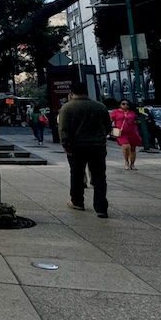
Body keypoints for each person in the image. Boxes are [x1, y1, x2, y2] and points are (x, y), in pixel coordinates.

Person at [58, 81, 110, 218]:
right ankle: (101, 207)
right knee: (99, 176)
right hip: (97, 146)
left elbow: (63, 128)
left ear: (71, 93)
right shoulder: (99, 106)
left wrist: (65, 144)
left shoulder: (67, 108)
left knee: (77, 174)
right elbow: (107, 125)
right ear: (86, 92)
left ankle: (77, 201)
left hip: (77, 146)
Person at [110, 99, 144, 170]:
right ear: (120, 104)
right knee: (126, 146)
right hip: (122, 133)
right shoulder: (115, 112)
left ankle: (132, 164)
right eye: (123, 104)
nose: (125, 105)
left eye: (127, 104)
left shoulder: (132, 112)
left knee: (133, 148)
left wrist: (136, 121)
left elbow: (137, 120)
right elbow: (110, 120)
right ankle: (126, 161)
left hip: (132, 132)